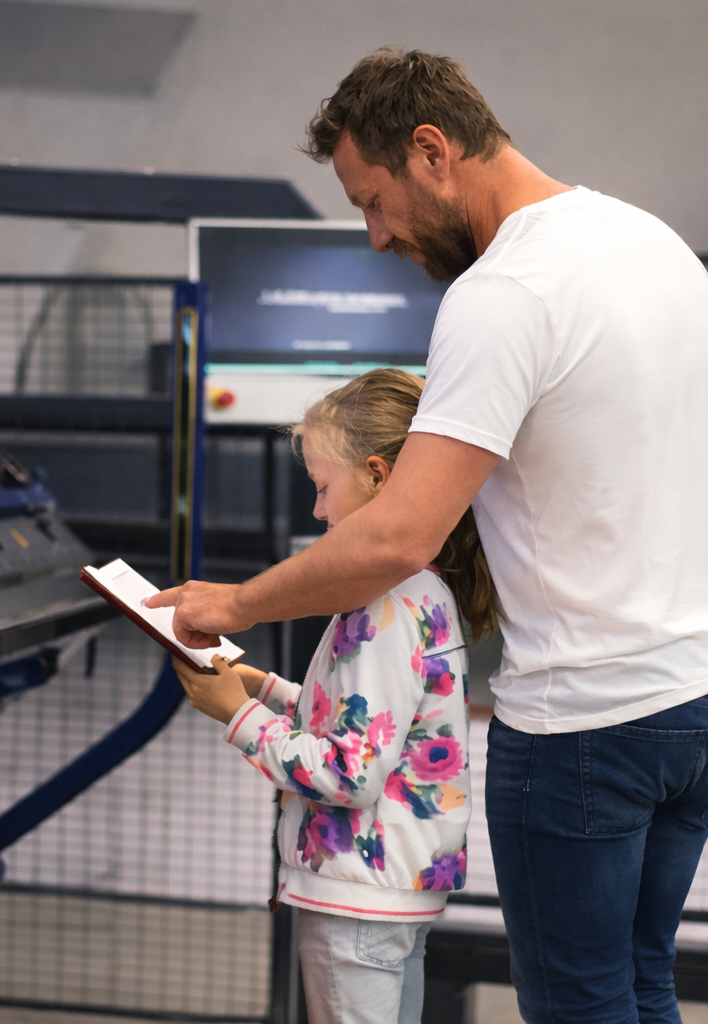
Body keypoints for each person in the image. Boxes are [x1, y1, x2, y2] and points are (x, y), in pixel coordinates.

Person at [150, 49, 708, 1024]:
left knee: (578, 1003)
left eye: (373, 200)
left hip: (593, 718)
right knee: (640, 979)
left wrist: (229, 605)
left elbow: (398, 535)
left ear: (432, 150)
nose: (377, 235)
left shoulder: (503, 292)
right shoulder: (647, 239)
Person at [171, 369, 497, 1024]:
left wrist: (234, 716)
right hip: (392, 893)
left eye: (323, 488)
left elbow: (348, 772)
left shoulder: (379, 604)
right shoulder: (421, 591)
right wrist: (262, 688)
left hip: (355, 899)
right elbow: (373, 722)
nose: (317, 510)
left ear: (377, 477)